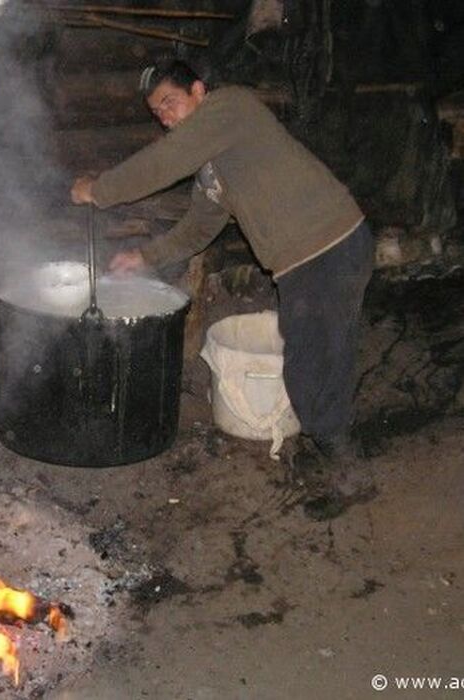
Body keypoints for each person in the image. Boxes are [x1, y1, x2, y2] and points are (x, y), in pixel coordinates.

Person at [70, 59, 374, 490]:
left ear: (198, 90)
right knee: (323, 361)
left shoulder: (233, 107)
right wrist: (145, 256)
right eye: (157, 112)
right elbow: (198, 228)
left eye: (170, 102)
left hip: (327, 247)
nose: (166, 117)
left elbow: (163, 162)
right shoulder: (213, 167)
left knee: (312, 368)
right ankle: (336, 455)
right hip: (315, 257)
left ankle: (348, 477)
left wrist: (98, 190)